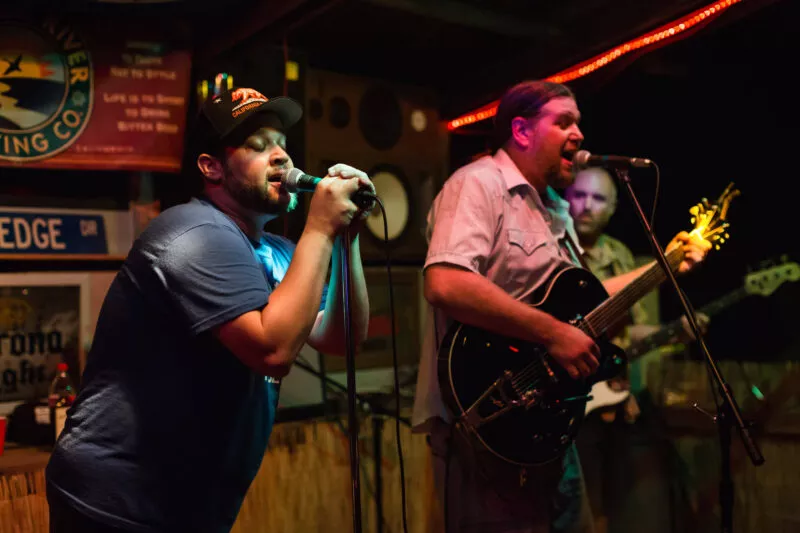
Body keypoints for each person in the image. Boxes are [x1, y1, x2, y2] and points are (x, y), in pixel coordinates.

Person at [45, 87, 374, 533]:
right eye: (258, 147)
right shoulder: (192, 231)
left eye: (282, 144)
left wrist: (346, 236)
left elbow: (341, 338)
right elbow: (272, 350)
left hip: (189, 506)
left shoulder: (279, 252)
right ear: (211, 167)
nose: (281, 157)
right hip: (118, 501)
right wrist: (320, 225)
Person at [412, 80, 712, 533]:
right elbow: (446, 282)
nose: (579, 135)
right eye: (564, 122)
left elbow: (578, 307)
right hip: (489, 420)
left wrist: (665, 266)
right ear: (522, 130)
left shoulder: (555, 207)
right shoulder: (477, 185)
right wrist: (553, 334)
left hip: (550, 422)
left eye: (580, 124)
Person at [566, 167, 707, 533]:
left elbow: (632, 332)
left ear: (612, 208)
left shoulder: (621, 255)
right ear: (566, 197)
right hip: (565, 395)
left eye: (598, 199)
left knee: (619, 497)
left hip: (610, 397)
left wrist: (673, 334)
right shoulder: (555, 245)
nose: (586, 206)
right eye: (580, 195)